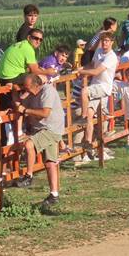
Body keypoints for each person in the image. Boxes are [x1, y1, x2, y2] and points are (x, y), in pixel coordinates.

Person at [14, 73, 65, 210]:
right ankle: (54, 194)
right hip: (45, 129)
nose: (25, 90)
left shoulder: (47, 91)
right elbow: (19, 104)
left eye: (27, 87)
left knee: (29, 144)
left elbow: (45, 113)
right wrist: (16, 93)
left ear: (35, 85)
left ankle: (28, 176)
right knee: (50, 163)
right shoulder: (32, 94)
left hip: (51, 129)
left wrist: (25, 110)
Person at [75, 32, 118, 159]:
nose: (105, 43)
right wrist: (80, 68)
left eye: (107, 41)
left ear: (112, 43)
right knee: (90, 113)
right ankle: (88, 141)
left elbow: (96, 71)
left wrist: (82, 72)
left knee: (84, 91)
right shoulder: (98, 51)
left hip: (104, 87)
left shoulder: (111, 57)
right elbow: (92, 65)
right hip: (96, 85)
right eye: (103, 40)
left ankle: (83, 117)